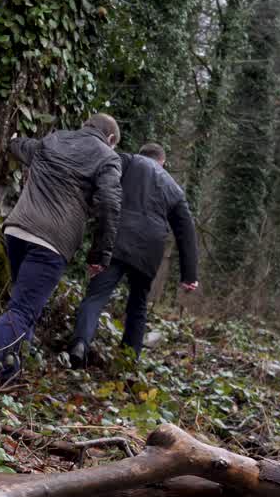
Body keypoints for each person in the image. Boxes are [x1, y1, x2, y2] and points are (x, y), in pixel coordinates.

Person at [0, 113, 123, 390]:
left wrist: (12, 139)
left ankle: (10, 373)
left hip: (17, 231)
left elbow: (22, 146)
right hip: (51, 242)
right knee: (23, 310)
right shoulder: (107, 157)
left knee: (24, 307)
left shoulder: (54, 139)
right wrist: (100, 255)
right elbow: (109, 203)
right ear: (110, 138)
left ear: (86, 125)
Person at [68, 142, 197, 368]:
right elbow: (186, 231)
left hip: (117, 239)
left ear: (141, 154)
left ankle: (80, 344)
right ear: (162, 162)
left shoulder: (125, 161)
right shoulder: (174, 188)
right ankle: (129, 360)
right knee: (138, 306)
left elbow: (100, 186)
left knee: (96, 296)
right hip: (150, 250)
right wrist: (189, 275)